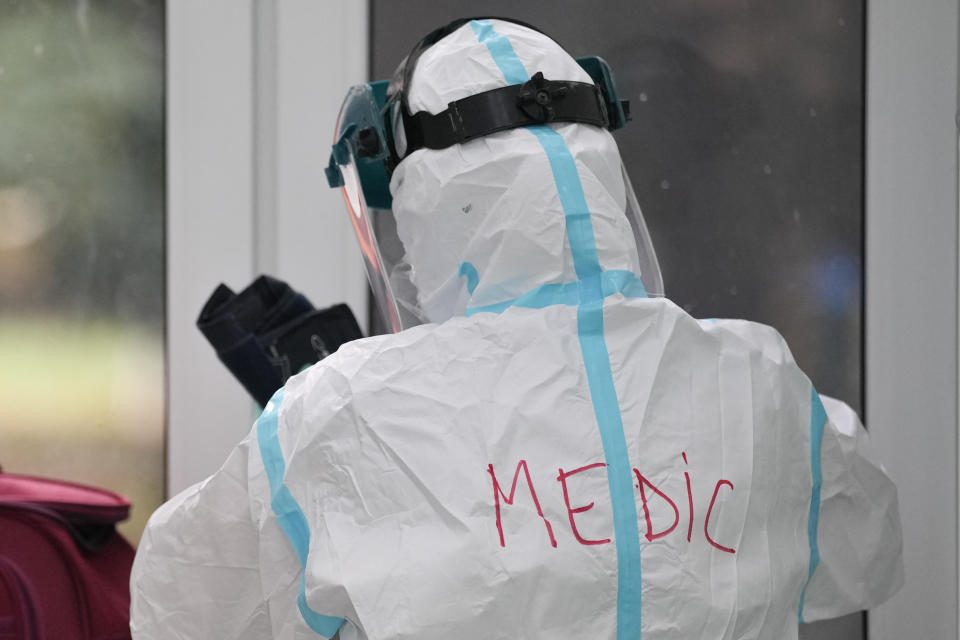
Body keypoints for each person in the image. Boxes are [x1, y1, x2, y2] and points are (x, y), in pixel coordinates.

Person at [130, 18, 902, 640]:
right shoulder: (758, 384)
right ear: (601, 178)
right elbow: (864, 556)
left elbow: (182, 607)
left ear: (426, 209)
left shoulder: (343, 413)